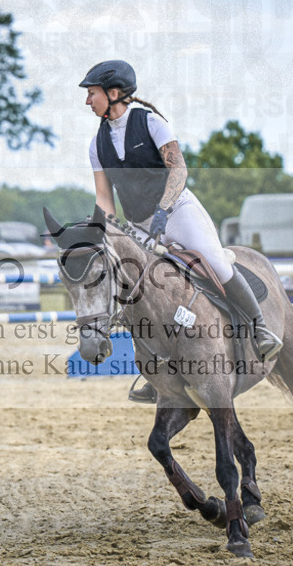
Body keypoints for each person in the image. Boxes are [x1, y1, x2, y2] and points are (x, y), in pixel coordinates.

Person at [79, 60, 282, 401]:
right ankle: (155, 373)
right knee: (138, 287)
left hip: (178, 211)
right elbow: (104, 197)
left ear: (114, 94)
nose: (88, 100)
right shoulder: (96, 145)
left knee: (217, 264)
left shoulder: (152, 123)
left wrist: (163, 209)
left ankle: (260, 329)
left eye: (92, 93)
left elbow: (178, 170)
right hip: (140, 224)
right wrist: (108, 231)